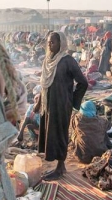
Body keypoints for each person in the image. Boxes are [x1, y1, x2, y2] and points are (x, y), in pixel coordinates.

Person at [35, 31, 88, 180]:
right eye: (48, 42)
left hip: (61, 105)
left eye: (53, 42)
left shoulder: (67, 61)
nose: (50, 45)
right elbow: (43, 85)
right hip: (48, 104)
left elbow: (83, 83)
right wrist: (39, 103)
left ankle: (59, 168)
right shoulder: (47, 60)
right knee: (51, 133)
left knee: (60, 134)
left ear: (61, 44)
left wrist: (72, 101)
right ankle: (61, 166)